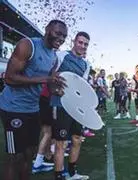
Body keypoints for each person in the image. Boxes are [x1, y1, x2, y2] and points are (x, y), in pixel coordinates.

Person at [0, 20, 67, 180]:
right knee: (15, 157)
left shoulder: (54, 58)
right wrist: (45, 79)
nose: (61, 38)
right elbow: (9, 78)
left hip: (33, 109)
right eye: (58, 33)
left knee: (29, 154)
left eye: (64, 36)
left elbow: (49, 86)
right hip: (12, 108)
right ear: (47, 30)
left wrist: (57, 91)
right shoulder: (27, 45)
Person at [51, 31, 91, 180]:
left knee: (76, 139)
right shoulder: (61, 55)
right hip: (60, 104)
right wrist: (56, 89)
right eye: (80, 42)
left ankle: (72, 173)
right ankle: (59, 175)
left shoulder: (86, 64)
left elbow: (83, 86)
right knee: (61, 142)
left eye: (85, 44)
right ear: (74, 42)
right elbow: (50, 76)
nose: (82, 46)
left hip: (76, 107)